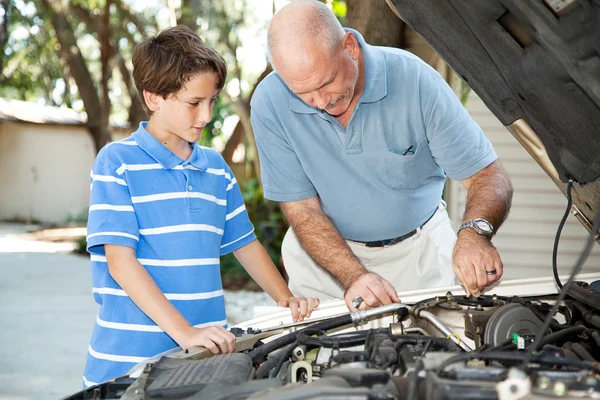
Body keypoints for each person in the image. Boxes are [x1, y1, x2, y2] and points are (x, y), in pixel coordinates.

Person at [83, 25, 318, 387]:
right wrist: (185, 332)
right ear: (153, 98)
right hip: (128, 366)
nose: (207, 115)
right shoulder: (117, 163)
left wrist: (286, 300)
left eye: (212, 101)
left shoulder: (215, 168)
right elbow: (120, 263)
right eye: (194, 103)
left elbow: (244, 243)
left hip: (204, 360)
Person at [250, 0, 513, 312]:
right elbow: (303, 210)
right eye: (303, 93)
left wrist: (474, 234)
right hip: (324, 261)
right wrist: (355, 275)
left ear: (350, 47)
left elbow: (487, 175)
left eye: (326, 82)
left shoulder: (416, 81)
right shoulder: (269, 102)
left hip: (421, 253)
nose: (319, 101)